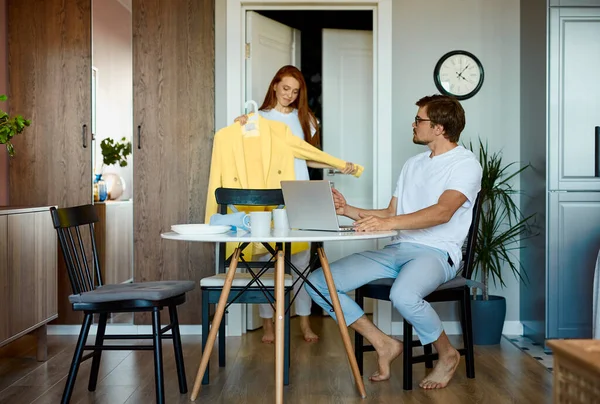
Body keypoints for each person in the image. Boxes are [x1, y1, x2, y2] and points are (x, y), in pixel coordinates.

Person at [306, 94, 482, 389]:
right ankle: (383, 342)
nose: (413, 125)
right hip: (398, 249)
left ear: (439, 127)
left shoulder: (465, 165)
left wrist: (388, 223)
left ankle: (448, 354)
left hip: (437, 254)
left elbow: (442, 212)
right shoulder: (413, 164)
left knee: (403, 295)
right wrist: (346, 210)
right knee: (316, 282)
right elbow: (391, 213)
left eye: (419, 119)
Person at [235, 65, 358, 344]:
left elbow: (309, 158)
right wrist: (240, 127)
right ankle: (267, 326)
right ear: (275, 85)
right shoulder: (257, 118)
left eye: (295, 91)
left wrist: (337, 164)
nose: (289, 95)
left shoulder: (307, 120)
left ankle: (304, 323)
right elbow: (244, 153)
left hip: (298, 191)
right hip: (267, 193)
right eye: (285, 88)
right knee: (264, 258)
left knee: (302, 259)